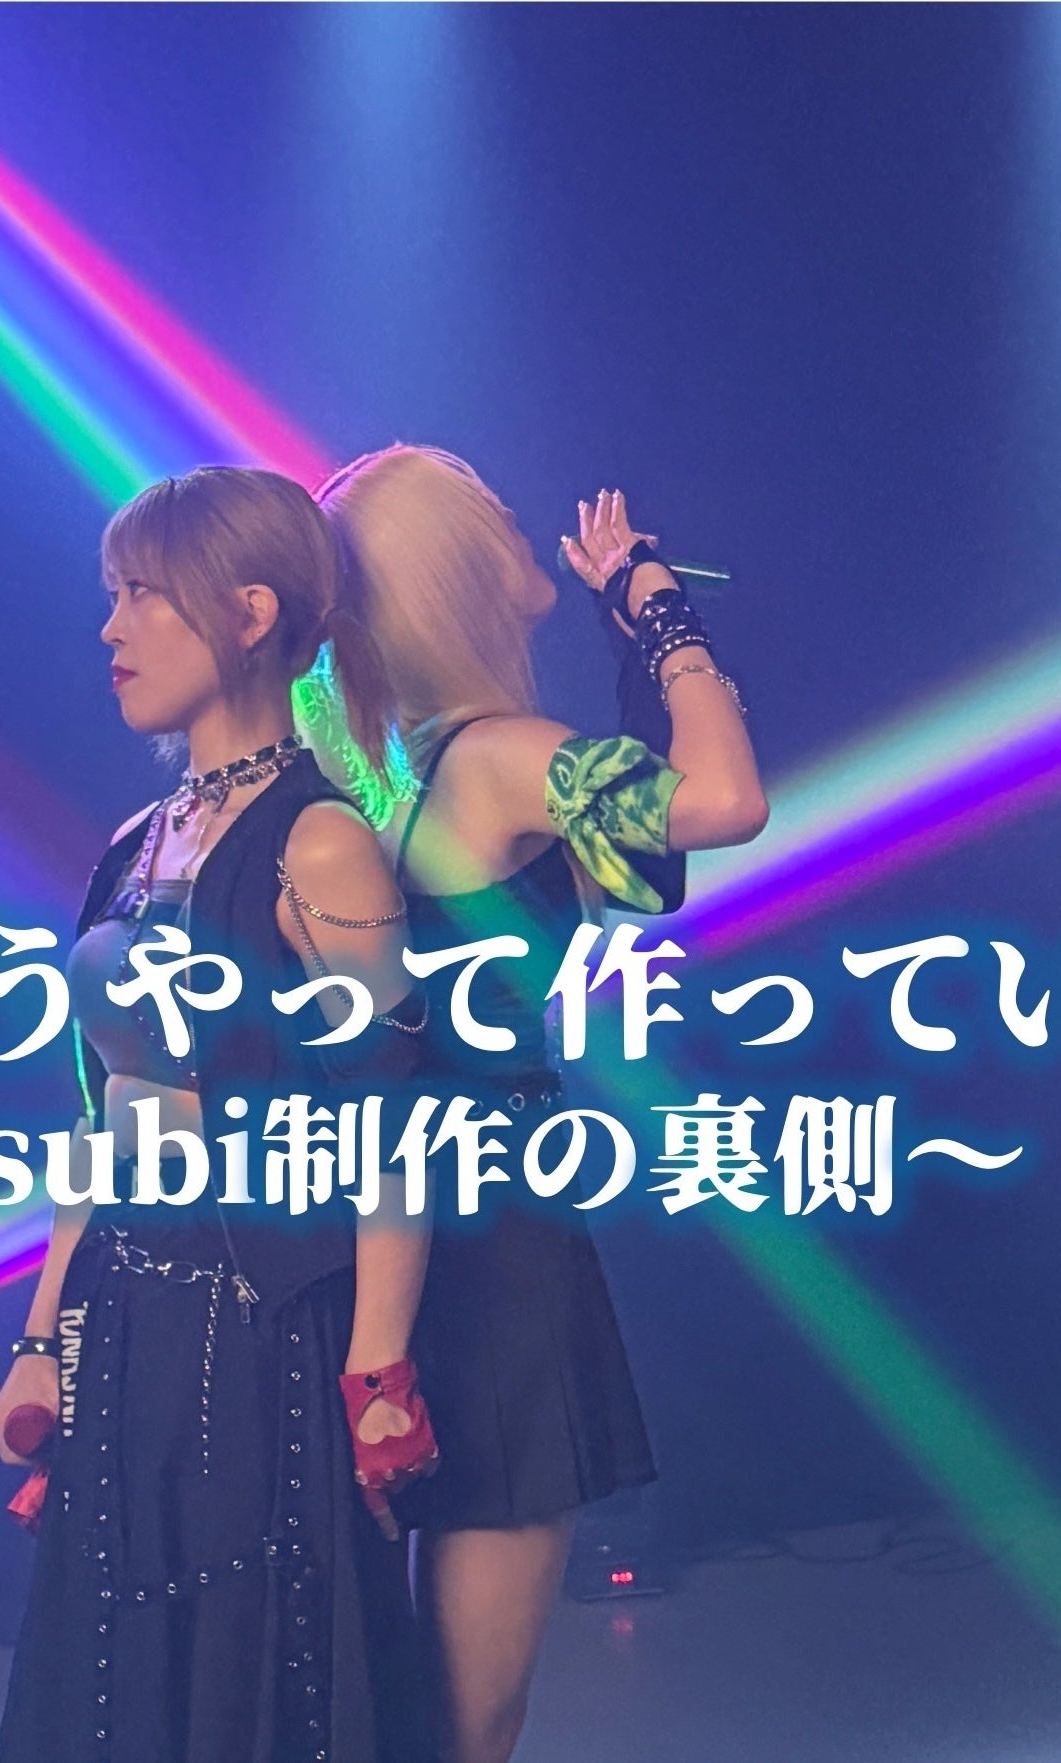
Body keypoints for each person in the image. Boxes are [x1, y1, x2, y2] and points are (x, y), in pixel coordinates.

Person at [314, 446, 769, 1763]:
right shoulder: (499, 758)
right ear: (455, 574)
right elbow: (723, 803)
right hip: (495, 1239)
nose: (529, 540)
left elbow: (640, 861)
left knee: (410, 1687)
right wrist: (662, 613)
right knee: (471, 1714)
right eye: (499, 524)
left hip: (393, 1216)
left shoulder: (388, 769)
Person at [0, 466, 444, 1763]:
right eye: (113, 595)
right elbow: (105, 1117)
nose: (111, 627)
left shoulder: (322, 845)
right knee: (115, 1681)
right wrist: (41, 1337)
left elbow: (395, 1134)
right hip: (125, 1315)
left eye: (145, 595)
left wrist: (379, 1373)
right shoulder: (132, 843)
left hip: (266, 1330)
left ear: (249, 612)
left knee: (259, 1675)